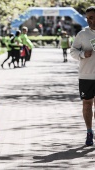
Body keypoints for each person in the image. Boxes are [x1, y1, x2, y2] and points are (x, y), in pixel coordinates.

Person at [70, 6, 95, 146]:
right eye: (87, 18)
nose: (88, 20)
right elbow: (73, 51)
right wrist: (82, 54)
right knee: (87, 105)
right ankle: (89, 132)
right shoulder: (82, 34)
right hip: (86, 76)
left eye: (91, 17)